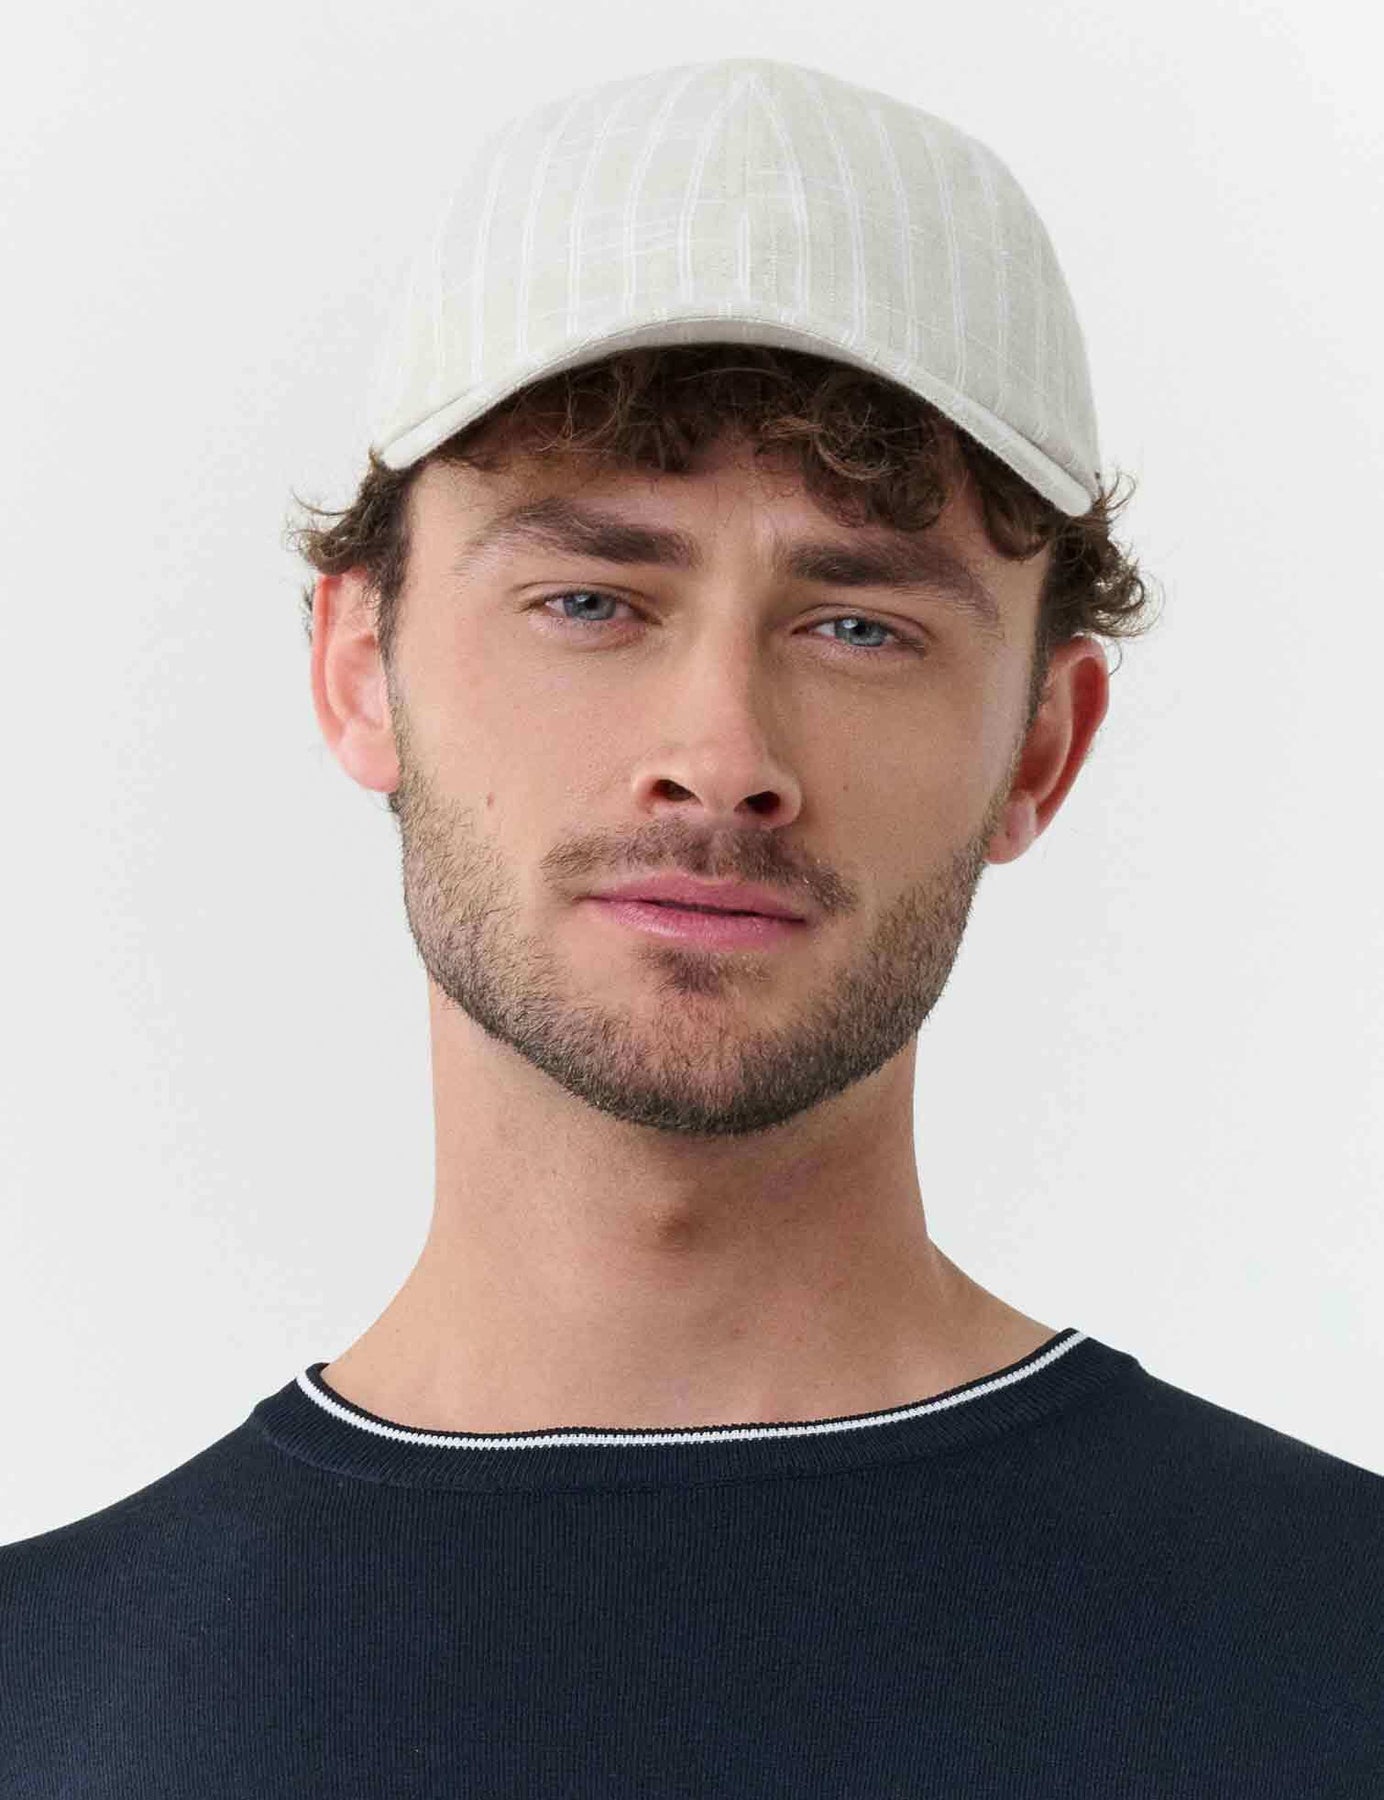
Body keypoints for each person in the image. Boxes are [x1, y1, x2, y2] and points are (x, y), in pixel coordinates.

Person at [3, 55, 1379, 1798]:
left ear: (1044, 743)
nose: (722, 758)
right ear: (360, 670)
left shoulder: (1342, 1646)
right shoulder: (39, 1703)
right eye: (591, 599)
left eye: (861, 626)